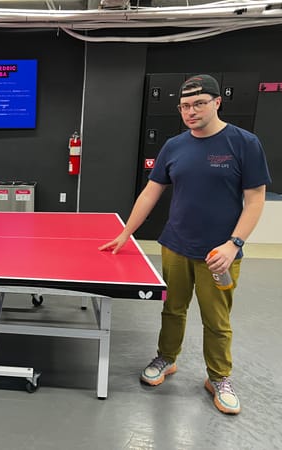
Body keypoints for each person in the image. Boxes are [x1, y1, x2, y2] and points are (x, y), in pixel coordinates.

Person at [99, 74, 271, 415]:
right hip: (175, 245)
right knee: (173, 309)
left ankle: (219, 377)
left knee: (216, 319)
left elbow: (255, 200)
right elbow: (151, 192)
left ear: (217, 102)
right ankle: (166, 358)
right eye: (184, 106)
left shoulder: (244, 143)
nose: (190, 112)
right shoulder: (174, 146)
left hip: (219, 253)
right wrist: (126, 233)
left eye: (198, 104)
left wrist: (234, 244)